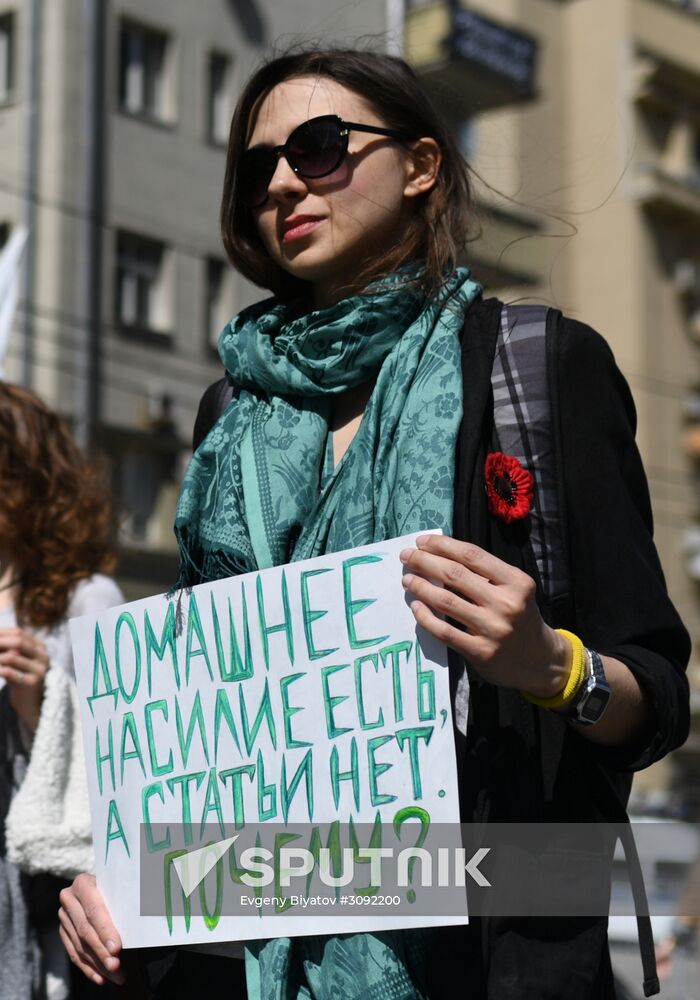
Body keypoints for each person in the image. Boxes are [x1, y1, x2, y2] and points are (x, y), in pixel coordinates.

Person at [57, 47, 690, 1000]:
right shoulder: (229, 415)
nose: (280, 181)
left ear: (422, 166)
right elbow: (204, 732)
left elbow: (655, 697)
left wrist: (552, 667)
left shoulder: (539, 370)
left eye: (317, 147)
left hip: (486, 957)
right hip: (246, 955)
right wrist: (121, 876)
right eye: (256, 163)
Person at [0, 383, 123, 1000]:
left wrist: (37, 702)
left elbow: (116, 766)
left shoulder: (86, 599)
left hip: (37, 900)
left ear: (27, 482)